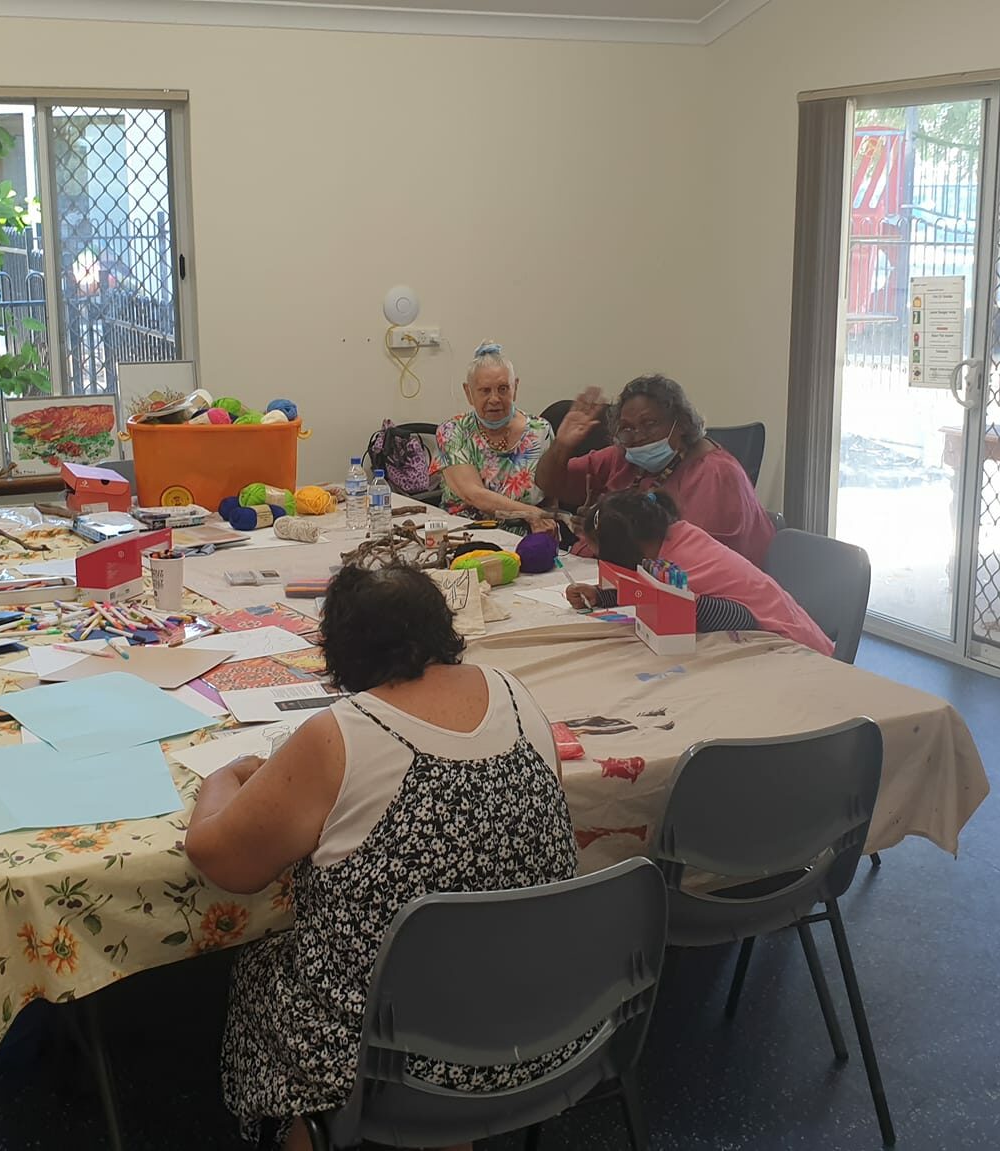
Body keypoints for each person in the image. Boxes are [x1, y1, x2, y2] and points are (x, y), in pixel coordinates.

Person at [186, 564, 579, 1150]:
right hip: (537, 1017)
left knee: (260, 969)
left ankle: (310, 1128)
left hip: (387, 1049)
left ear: (337, 651)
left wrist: (225, 777)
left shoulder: (340, 734)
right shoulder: (513, 694)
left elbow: (220, 862)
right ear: (444, 628)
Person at [534, 374, 774, 566]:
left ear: (680, 424)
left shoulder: (716, 474)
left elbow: (691, 562)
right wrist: (562, 445)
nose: (637, 436)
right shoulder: (625, 455)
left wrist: (605, 534)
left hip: (709, 601)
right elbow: (549, 483)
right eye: (627, 428)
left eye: (649, 424)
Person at [565, 489, 833, 656]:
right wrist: (602, 597)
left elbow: (739, 616)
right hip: (775, 636)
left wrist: (675, 606)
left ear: (622, 551)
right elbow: (648, 591)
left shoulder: (684, 561)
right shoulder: (672, 537)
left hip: (790, 646)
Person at [435, 341, 556, 531]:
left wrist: (547, 527)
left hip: (525, 538)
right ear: (468, 392)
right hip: (467, 536)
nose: (494, 399)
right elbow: (474, 495)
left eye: (503, 389)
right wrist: (530, 513)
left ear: (515, 388)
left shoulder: (540, 431)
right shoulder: (452, 431)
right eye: (485, 390)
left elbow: (551, 495)